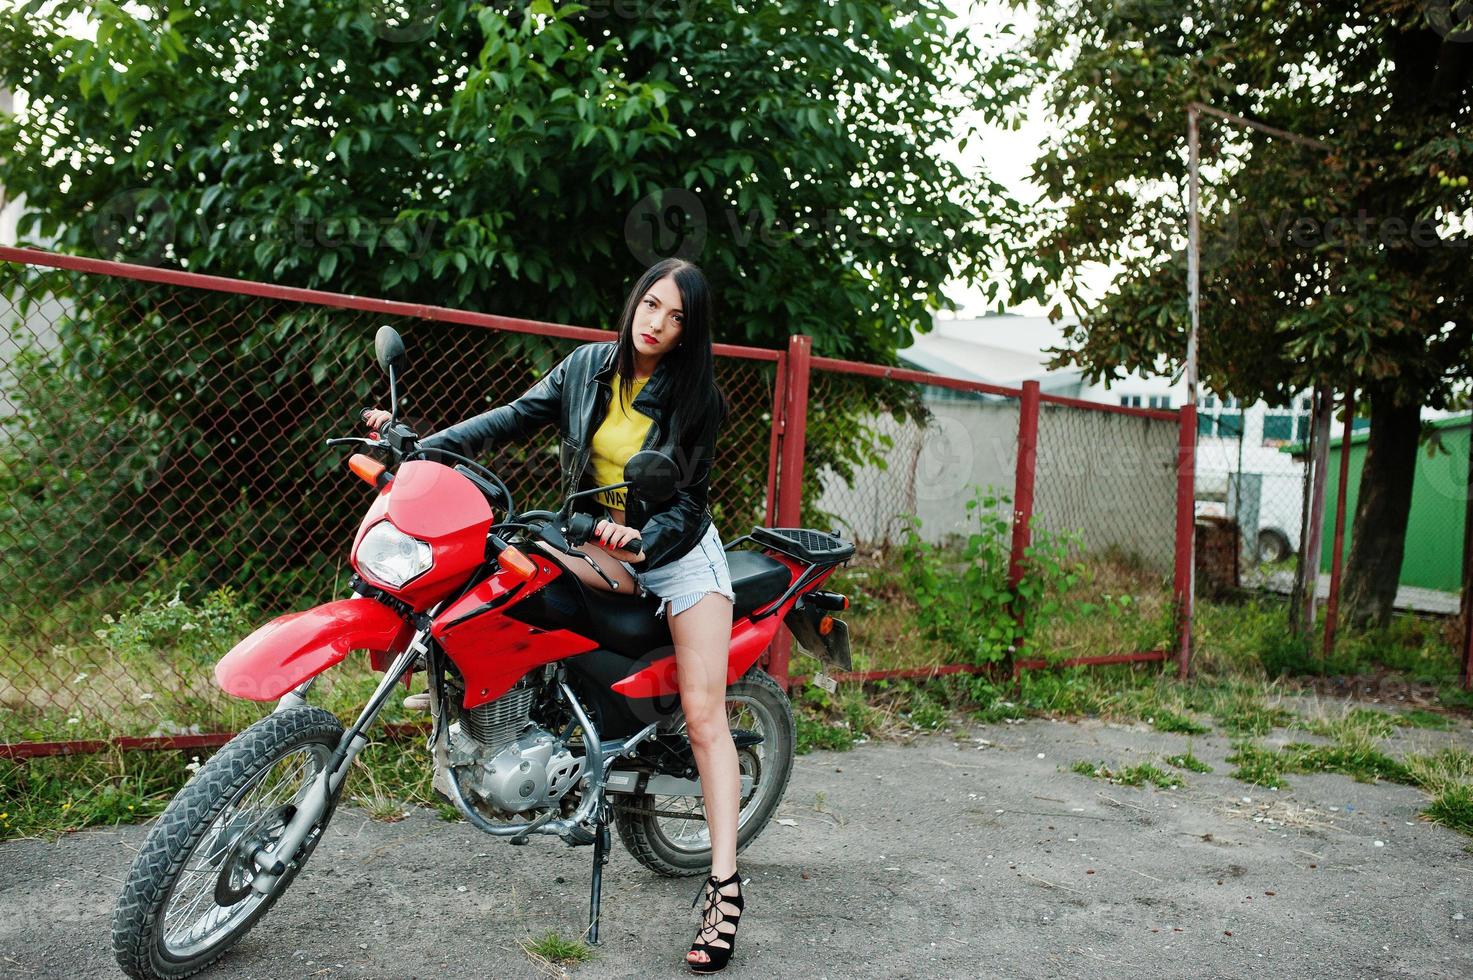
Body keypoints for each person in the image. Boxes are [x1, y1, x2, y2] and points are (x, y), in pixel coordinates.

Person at [363, 258, 744, 973]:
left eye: (675, 318)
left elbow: (688, 501)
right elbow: (509, 419)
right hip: (595, 539)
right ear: (635, 299)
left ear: (690, 332)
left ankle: (723, 885)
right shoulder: (585, 368)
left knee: (703, 715)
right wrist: (421, 447)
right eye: (651, 304)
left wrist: (646, 538)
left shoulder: (697, 398)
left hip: (677, 553)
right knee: (499, 570)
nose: (656, 323)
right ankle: (519, 722)